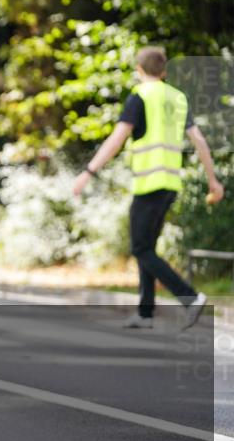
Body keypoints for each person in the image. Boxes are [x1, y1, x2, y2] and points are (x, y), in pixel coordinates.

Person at [72, 46, 224, 329]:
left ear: (139, 70)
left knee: (140, 248)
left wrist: (88, 172)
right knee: (148, 246)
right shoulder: (177, 97)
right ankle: (145, 312)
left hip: (148, 184)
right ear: (164, 71)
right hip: (170, 183)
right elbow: (199, 141)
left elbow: (117, 139)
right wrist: (213, 180)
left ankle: (189, 298)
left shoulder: (139, 96)